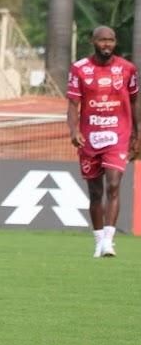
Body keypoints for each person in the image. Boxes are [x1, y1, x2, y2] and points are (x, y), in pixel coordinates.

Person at [66, 25, 139, 258]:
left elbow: (135, 101)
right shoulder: (79, 69)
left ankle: (109, 240)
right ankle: (98, 240)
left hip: (118, 134)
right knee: (96, 193)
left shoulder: (127, 69)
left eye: (111, 40)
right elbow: (72, 105)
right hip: (90, 136)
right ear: (92, 41)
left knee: (114, 185)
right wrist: (74, 130)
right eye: (102, 40)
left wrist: (138, 133)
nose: (107, 44)